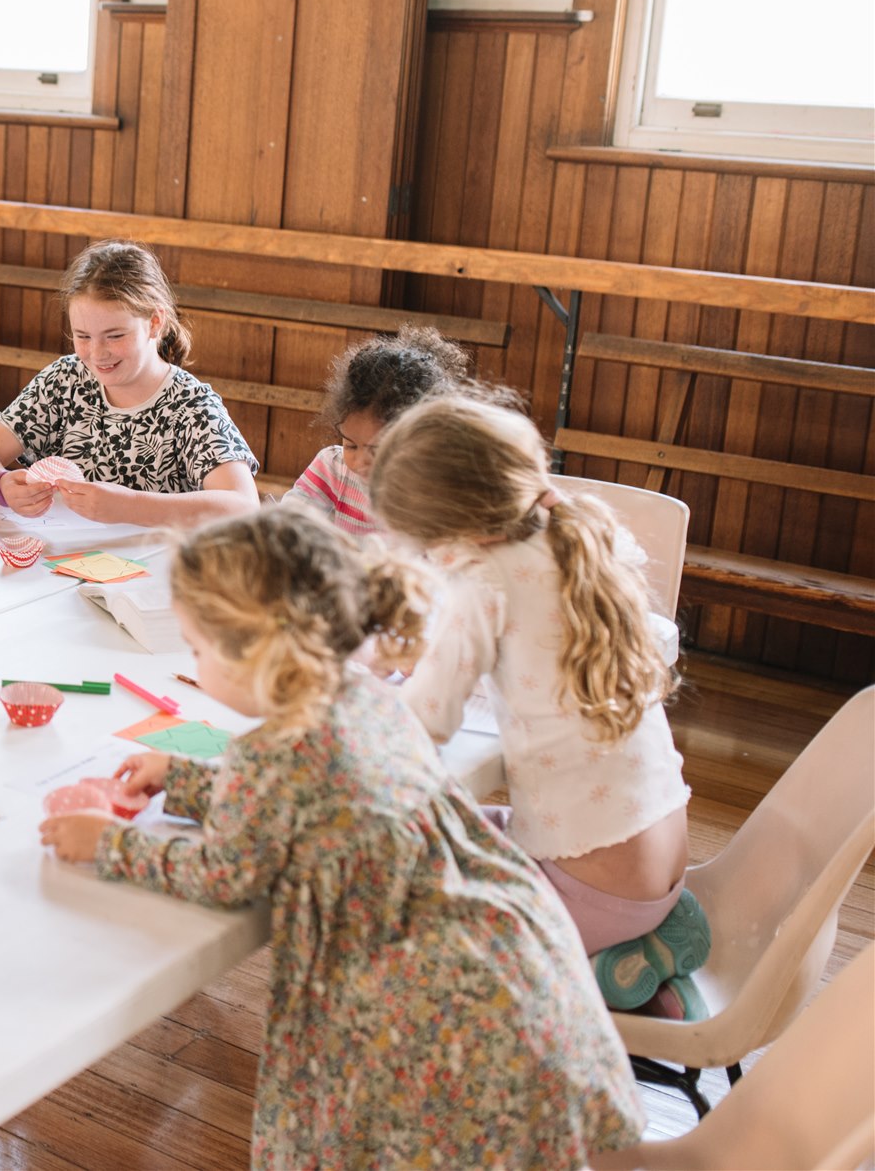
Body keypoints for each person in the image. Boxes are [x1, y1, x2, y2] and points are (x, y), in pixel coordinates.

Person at [38, 508, 641, 1169]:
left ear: (259, 650)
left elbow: (229, 872)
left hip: (429, 1003)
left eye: (199, 648)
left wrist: (108, 843)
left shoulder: (271, 753)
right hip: (503, 956)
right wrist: (183, 779)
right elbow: (316, 807)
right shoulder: (367, 696)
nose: (194, 662)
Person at [369, 396, 706, 1015]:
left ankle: (588, 960)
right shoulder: (574, 537)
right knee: (475, 836)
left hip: (594, 890)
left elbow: (422, 724)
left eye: (424, 542)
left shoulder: (484, 584)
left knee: (406, 899)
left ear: (461, 529)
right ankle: (639, 950)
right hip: (662, 865)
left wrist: (355, 691)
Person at [0, 241, 258, 529]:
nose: (97, 353)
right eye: (83, 336)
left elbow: (243, 507)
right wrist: (1, 484)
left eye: (115, 336)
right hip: (63, 563)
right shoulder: (65, 381)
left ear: (154, 323)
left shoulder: (190, 405)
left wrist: (131, 507)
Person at [283, 325, 501, 535]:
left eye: (377, 450)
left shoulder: (431, 494)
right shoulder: (332, 469)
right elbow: (290, 520)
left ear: (418, 440)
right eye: (351, 444)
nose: (359, 462)